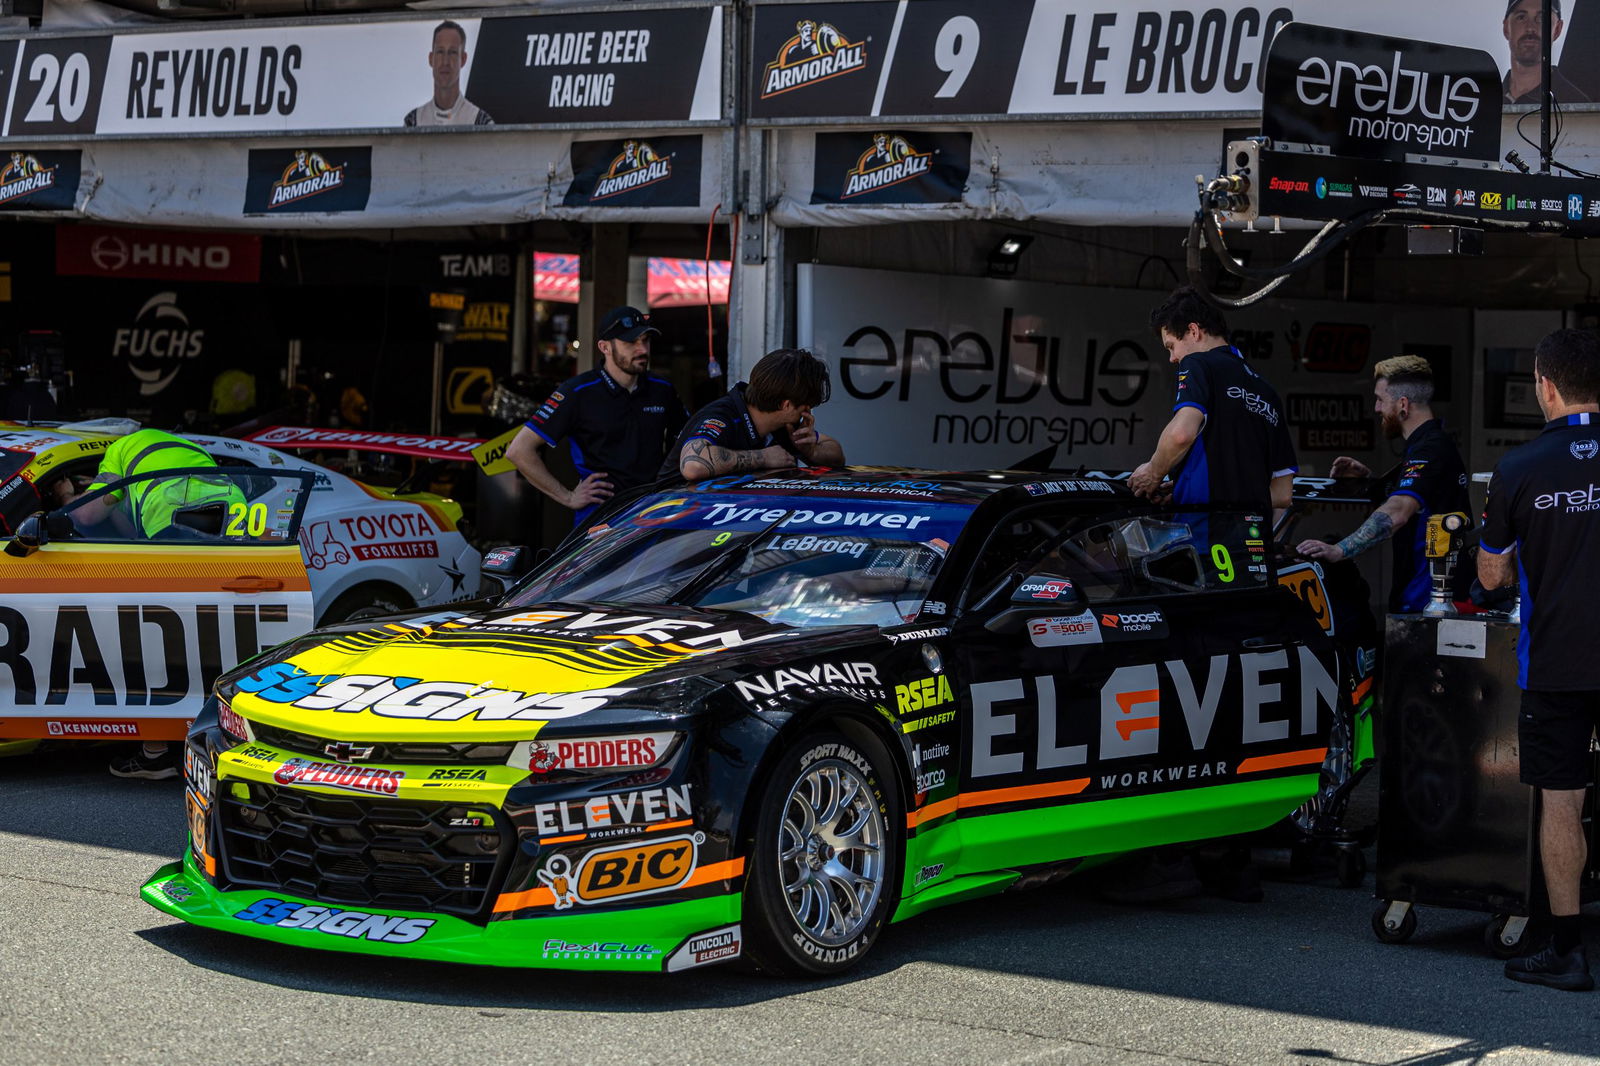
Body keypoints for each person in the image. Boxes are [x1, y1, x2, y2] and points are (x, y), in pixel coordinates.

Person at [1478, 328, 1600, 992]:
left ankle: (1566, 951)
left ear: (1545, 387)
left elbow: (1492, 577)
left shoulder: (1519, 468)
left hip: (1556, 662)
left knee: (1563, 800)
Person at [51, 428, 240, 780]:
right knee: (209, 637)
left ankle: (156, 754)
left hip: (178, 521)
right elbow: (128, 529)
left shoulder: (118, 452)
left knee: (153, 635)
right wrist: (105, 495)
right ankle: (228, 739)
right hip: (231, 521)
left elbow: (85, 518)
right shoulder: (177, 446)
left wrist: (67, 497)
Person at [1297, 356, 1469, 613]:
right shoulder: (1429, 445)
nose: (1377, 408)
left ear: (1402, 405)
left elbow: (1399, 512)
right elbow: (1419, 501)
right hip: (1432, 598)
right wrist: (1373, 483)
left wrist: (1338, 550)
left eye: (1380, 399)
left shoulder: (1429, 449)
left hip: (1428, 602)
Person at [506, 306, 688, 524]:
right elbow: (519, 451)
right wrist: (568, 497)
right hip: (600, 519)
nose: (642, 349)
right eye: (630, 342)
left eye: (646, 340)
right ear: (605, 347)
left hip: (652, 512)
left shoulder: (663, 390)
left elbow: (690, 441)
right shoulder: (577, 392)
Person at [1129, 286, 1297, 517]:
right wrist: (1187, 491)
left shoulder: (1198, 363)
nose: (1172, 358)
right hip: (1255, 541)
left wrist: (1154, 472)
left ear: (1193, 331)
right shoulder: (1267, 391)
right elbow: (1283, 494)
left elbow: (1181, 434)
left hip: (1207, 535)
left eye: (1171, 346)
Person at [661, 347, 844, 481]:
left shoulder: (783, 423)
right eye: (805, 407)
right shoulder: (724, 416)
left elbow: (836, 454)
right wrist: (764, 458)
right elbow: (693, 466)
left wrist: (812, 451)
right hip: (668, 521)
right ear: (786, 405)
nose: (807, 413)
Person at [403, 21, 494, 127]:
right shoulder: (413, 122)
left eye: (452, 52)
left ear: (463, 59)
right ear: (431, 58)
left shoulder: (480, 122)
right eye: (440, 52)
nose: (445, 61)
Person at [1503, 0, 1589, 105]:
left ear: (1557, 29)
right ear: (1506, 28)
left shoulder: (1577, 105)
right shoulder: (1486, 100)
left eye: (1542, 18)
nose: (1530, 28)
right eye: (1521, 17)